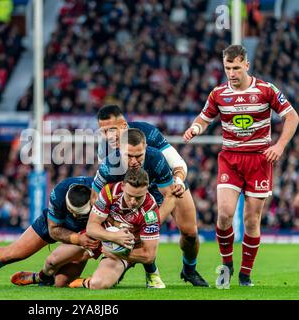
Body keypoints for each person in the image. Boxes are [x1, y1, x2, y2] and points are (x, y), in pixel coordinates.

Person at [183, 44, 298, 288]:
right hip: (230, 159)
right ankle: (227, 265)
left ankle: (245, 274)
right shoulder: (218, 94)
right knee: (224, 214)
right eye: (227, 68)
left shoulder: (266, 90)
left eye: (236, 67)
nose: (231, 73)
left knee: (252, 220)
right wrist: (195, 128)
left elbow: (292, 116)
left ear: (246, 65)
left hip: (259, 159)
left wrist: (279, 146)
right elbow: (204, 118)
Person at [95, 105, 209, 287]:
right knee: (131, 231)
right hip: (136, 189)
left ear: (124, 126)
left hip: (167, 183)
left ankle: (189, 269)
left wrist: (178, 181)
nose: (108, 136)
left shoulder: (147, 132)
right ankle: (134, 266)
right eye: (103, 131)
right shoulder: (104, 149)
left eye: (111, 130)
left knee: (190, 233)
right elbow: (110, 183)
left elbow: (178, 164)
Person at [69, 167, 177, 289]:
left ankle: (85, 282)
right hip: (105, 237)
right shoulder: (109, 191)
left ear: (146, 190)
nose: (133, 201)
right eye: (130, 195)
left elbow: (149, 255)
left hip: (130, 249)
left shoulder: (150, 211)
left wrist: (115, 252)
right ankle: (44, 275)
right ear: (123, 186)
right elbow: (91, 227)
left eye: (138, 197)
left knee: (97, 284)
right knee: (54, 260)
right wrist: (113, 237)